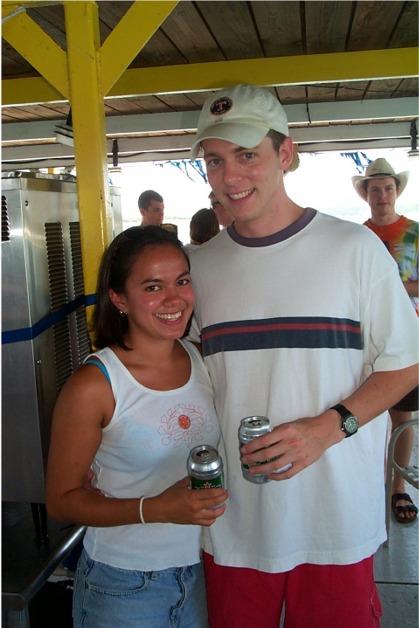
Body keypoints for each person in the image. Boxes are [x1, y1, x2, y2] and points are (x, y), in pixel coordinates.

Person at [187, 84, 418, 628]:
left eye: (247, 155)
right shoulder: (199, 267)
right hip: (236, 520)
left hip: (336, 519)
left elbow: (406, 362)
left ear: (285, 154)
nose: (230, 176)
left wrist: (329, 428)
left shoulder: (354, 249)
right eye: (215, 160)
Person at [46, 226, 227, 628]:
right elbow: (61, 501)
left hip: (201, 571)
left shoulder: (201, 359)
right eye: (152, 287)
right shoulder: (95, 385)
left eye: (182, 281)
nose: (174, 299)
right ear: (118, 298)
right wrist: (155, 508)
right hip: (123, 585)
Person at [352, 158, 419, 524]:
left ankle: (398, 486)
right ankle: (368, 485)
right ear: (366, 195)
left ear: (397, 192)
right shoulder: (356, 238)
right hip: (364, 342)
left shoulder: (414, 233)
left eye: (388, 188)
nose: (382, 195)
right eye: (375, 189)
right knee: (364, 415)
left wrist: (393, 288)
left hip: (408, 340)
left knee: (402, 416)